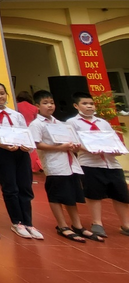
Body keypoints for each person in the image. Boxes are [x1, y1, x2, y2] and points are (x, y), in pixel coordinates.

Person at [28, 90, 102, 243]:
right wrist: (59, 148)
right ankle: (62, 226)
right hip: (55, 165)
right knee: (57, 196)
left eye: (52, 103)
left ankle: (77, 225)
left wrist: (74, 147)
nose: (50, 106)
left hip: (71, 164)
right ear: (37, 106)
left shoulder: (60, 123)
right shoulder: (36, 124)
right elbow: (36, 144)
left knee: (72, 196)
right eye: (45, 103)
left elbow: (74, 143)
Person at [0, 81, 41, 239]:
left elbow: (24, 133)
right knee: (10, 187)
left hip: (21, 152)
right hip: (2, 153)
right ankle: (17, 222)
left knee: (25, 186)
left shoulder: (16, 115)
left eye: (2, 93)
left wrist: (27, 145)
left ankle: (29, 222)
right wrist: (3, 145)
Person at [67, 91, 129, 237]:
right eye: (85, 104)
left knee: (121, 194)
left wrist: (118, 149)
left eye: (91, 104)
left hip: (111, 163)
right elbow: (73, 142)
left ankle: (126, 224)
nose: (89, 106)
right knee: (94, 194)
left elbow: (113, 140)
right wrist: (88, 149)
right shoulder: (72, 123)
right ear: (76, 106)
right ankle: (97, 223)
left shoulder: (103, 123)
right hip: (90, 163)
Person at [16, 91, 43, 173]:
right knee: (33, 149)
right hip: (31, 128)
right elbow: (35, 119)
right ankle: (36, 167)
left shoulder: (16, 106)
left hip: (20, 129)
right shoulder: (34, 107)